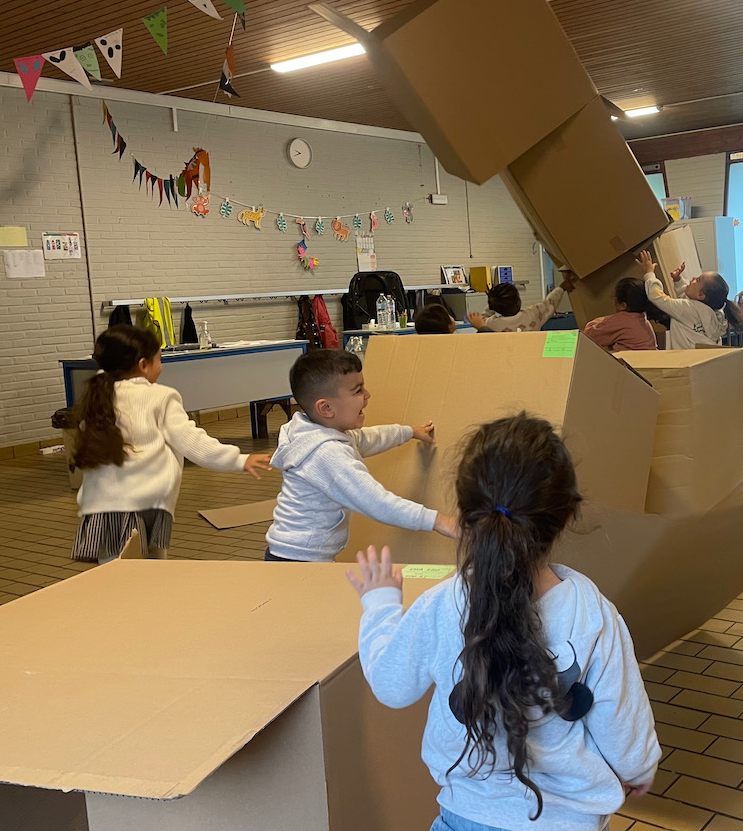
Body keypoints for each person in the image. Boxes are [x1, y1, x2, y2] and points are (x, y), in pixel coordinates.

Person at [349, 413, 660, 831]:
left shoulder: (442, 605)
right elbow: (621, 720)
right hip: (568, 821)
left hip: (465, 816)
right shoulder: (594, 615)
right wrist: (639, 769)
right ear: (569, 514)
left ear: (466, 518)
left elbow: (392, 685)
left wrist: (381, 605)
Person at [71, 325, 271, 563]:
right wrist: (238, 460)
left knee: (113, 568)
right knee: (149, 569)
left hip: (101, 505)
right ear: (143, 365)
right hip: (144, 502)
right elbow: (191, 440)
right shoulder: (160, 397)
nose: (161, 366)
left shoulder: (96, 395)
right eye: (159, 359)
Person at [265, 349, 457, 562]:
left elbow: (368, 438)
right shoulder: (327, 454)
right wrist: (440, 522)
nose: (367, 395)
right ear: (326, 408)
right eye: (358, 391)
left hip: (295, 553)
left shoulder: (314, 432)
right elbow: (377, 502)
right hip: (299, 558)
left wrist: (409, 432)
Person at [635, 250, 743, 350]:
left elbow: (658, 297)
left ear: (701, 295)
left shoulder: (688, 309)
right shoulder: (715, 314)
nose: (693, 278)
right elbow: (688, 300)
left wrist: (649, 273)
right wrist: (678, 280)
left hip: (683, 359)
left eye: (698, 280)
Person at [469, 274, 576, 333]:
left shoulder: (489, 324)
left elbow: (481, 321)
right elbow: (549, 302)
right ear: (518, 303)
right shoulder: (532, 315)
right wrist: (562, 288)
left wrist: (494, 300)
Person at [581, 277, 659, 352]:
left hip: (632, 360)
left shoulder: (621, 320)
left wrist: (600, 320)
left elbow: (589, 336)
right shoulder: (644, 320)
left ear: (623, 305)